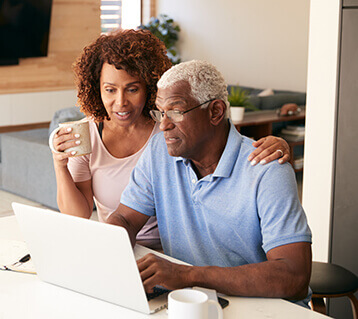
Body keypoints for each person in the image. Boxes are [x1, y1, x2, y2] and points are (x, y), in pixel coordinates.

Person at [51, 29, 291, 249]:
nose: (121, 102)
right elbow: (79, 214)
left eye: (132, 89)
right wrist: (60, 166)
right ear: (97, 88)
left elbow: (224, 144)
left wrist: (277, 144)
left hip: (177, 249)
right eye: (110, 89)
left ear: (150, 88)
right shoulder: (88, 135)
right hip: (123, 242)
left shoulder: (171, 127)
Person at [106, 60, 312, 307]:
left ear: (215, 112)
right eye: (160, 112)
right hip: (191, 302)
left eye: (175, 112)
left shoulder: (266, 169)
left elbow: (294, 276)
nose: (163, 124)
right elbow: (125, 219)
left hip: (261, 307)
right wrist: (111, 256)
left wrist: (187, 275)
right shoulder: (158, 152)